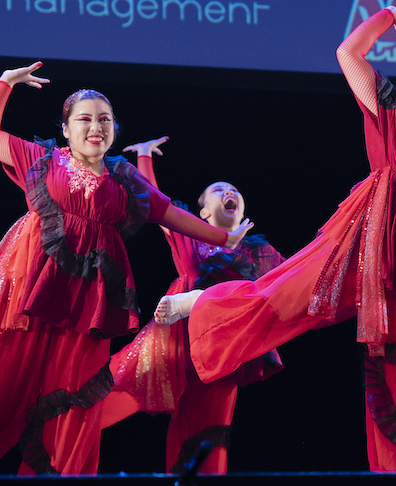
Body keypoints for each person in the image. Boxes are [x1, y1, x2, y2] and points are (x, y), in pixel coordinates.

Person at [154, 6, 396, 472]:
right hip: (371, 245)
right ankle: (205, 303)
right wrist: (386, 16)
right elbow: (348, 53)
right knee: (292, 297)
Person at [0, 64, 250, 475]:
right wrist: (5, 84)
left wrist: (224, 238)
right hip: (33, 289)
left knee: (74, 397)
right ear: (65, 129)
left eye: (105, 119)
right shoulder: (42, 159)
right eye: (84, 119)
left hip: (90, 303)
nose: (96, 126)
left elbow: (167, 212)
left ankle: (56, 476)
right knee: (9, 380)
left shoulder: (124, 178)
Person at [99, 136, 285, 474]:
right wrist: (144, 156)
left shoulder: (260, 253)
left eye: (234, 190)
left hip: (223, 348)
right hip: (176, 341)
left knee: (208, 427)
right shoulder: (191, 236)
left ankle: (197, 477)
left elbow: (292, 279)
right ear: (203, 212)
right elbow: (155, 202)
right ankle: (61, 426)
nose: (229, 192)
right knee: (111, 390)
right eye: (219, 190)